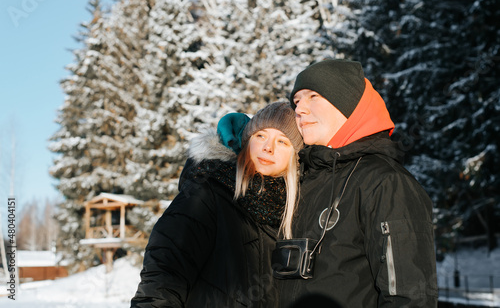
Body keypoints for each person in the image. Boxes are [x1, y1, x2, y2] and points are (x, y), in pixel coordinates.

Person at [274, 59, 438, 307]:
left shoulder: (386, 183)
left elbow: (409, 297)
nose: (299, 109)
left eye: (313, 97)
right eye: (296, 101)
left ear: (347, 105)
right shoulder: (304, 178)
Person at [130, 102, 304, 308]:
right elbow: (164, 273)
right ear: (246, 142)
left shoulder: (299, 211)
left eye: (282, 142)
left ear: (295, 157)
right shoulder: (208, 190)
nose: (268, 147)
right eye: (260, 135)